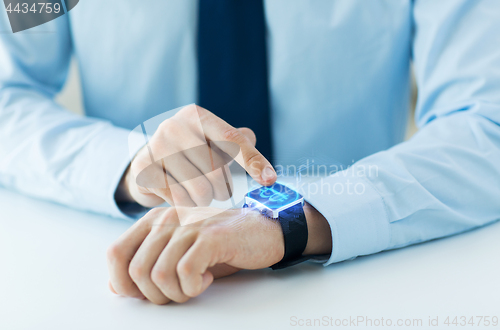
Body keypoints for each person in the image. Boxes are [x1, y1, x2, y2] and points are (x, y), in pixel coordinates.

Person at [1, 0, 499, 305]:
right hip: (127, 279)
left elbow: (486, 120)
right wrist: (130, 164)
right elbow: (8, 93)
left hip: (372, 277)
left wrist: (298, 219)